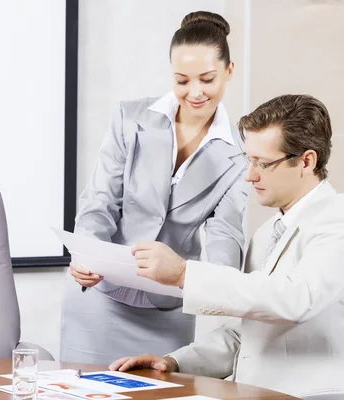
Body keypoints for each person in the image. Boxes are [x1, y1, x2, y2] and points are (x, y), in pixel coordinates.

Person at [110, 94, 344, 398]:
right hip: (252, 392)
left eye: (263, 164)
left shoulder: (343, 222)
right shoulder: (270, 231)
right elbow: (247, 335)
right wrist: (175, 362)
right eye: (249, 160)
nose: (249, 175)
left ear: (307, 161)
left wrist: (184, 274)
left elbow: (294, 299)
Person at [60, 11, 249, 365]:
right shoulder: (130, 119)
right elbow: (100, 200)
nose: (195, 93)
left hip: (168, 308)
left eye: (207, 79)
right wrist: (86, 254)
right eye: (182, 80)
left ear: (229, 71)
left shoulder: (239, 154)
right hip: (98, 298)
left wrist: (221, 287)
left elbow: (226, 232)